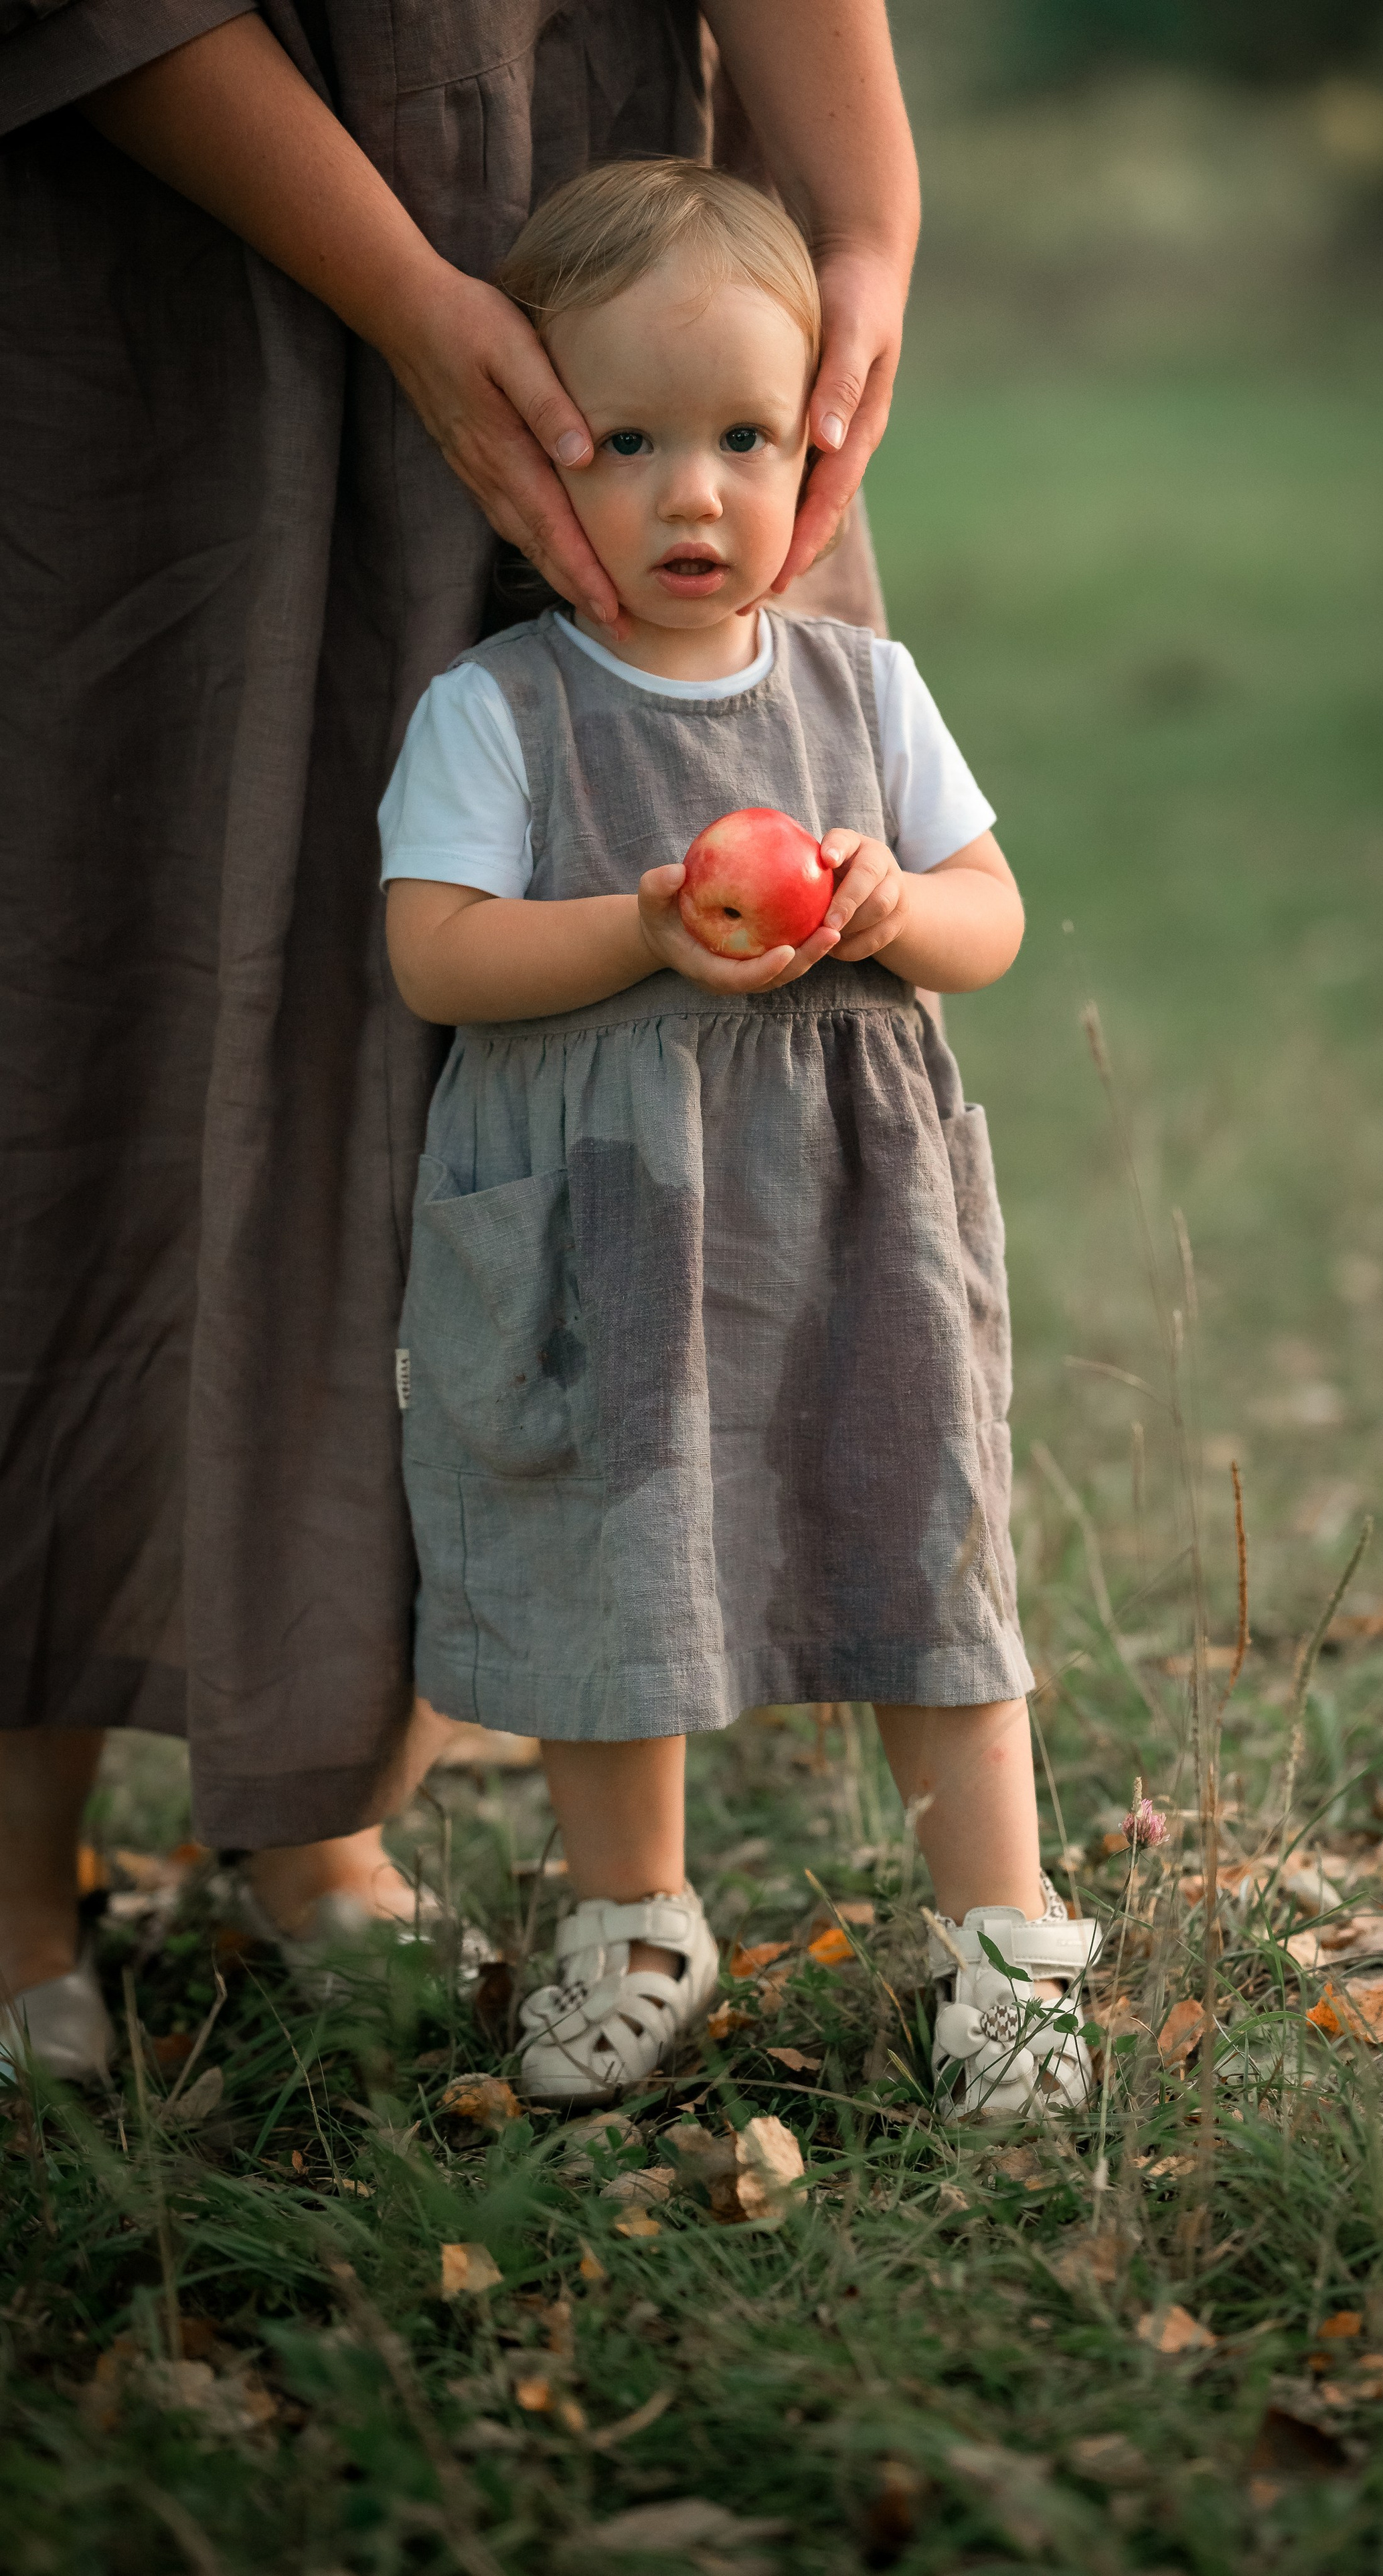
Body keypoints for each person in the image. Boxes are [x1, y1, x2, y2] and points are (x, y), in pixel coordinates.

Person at [0, 1, 916, 2083]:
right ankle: (9, 1852)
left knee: (521, 1152)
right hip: (168, 288)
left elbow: (977, 906)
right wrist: (405, 292)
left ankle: (319, 1798)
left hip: (607, 286)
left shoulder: (700, 477)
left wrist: (862, 226)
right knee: (107, 1005)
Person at [382, 159, 1101, 2122]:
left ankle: (1005, 1940)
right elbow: (435, 955)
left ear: (814, 448)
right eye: (625, 440)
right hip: (605, 1238)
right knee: (622, 1569)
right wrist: (632, 924)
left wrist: (886, 906)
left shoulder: (865, 690)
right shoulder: (500, 710)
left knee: (926, 1543)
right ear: (531, 454)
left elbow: (996, 916)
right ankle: (631, 1920)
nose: (693, 493)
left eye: (744, 438)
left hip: (850, 1224)